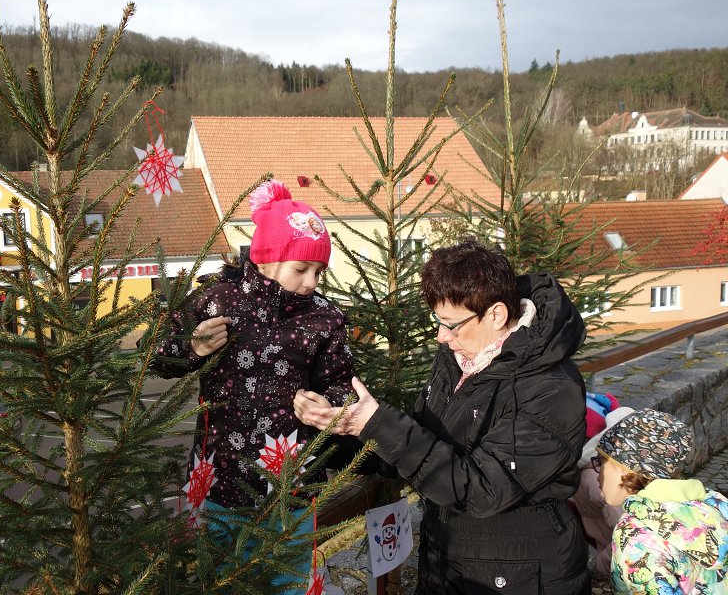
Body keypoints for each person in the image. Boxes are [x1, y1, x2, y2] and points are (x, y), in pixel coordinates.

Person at [294, 238, 590, 593]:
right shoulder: (461, 356)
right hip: (447, 559)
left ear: (496, 314)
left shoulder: (551, 388)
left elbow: (481, 489)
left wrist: (378, 424)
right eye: (438, 320)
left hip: (518, 574)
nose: (440, 336)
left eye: (451, 323)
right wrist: (342, 431)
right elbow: (426, 443)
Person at [149, 179, 356, 593]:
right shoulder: (217, 300)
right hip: (217, 480)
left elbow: (341, 387)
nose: (312, 282)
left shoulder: (325, 319)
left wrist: (327, 406)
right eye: (301, 269)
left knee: (288, 584)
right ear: (265, 259)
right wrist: (192, 346)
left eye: (319, 271)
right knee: (217, 582)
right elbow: (152, 352)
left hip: (290, 490)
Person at [594, 408, 728, 593]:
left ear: (625, 466)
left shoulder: (635, 536)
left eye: (601, 461)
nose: (598, 475)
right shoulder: (716, 505)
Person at [571, 400, 633, 576]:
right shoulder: (608, 482)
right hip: (621, 561)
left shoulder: (590, 470)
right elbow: (626, 537)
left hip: (609, 550)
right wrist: (604, 563)